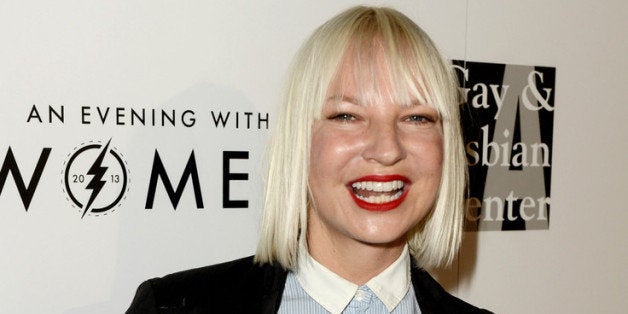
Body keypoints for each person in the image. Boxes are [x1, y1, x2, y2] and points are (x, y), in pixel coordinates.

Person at [127, 5, 490, 313]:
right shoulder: (171, 306)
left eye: (417, 118)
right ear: (299, 140)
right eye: (346, 116)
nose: (387, 149)